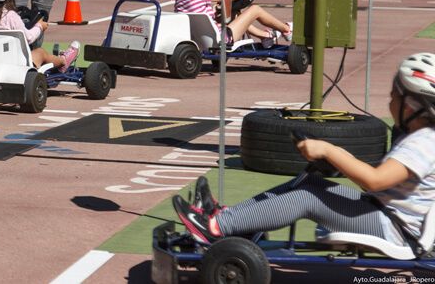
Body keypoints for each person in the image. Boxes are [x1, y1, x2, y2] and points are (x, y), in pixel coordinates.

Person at [174, 52, 435, 250]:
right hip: (382, 212)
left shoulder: (422, 143)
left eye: (393, 96)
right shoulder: (420, 137)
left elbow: (374, 181)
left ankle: (212, 228)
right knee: (308, 183)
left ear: (411, 105)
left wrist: (329, 150)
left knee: (307, 198)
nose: (389, 101)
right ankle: (227, 219)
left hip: (393, 228)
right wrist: (331, 153)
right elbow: (377, 181)